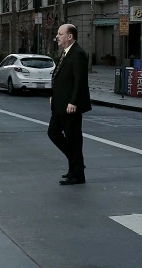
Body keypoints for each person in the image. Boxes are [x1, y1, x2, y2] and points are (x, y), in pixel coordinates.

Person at [48, 23, 92, 186]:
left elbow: (80, 81)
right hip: (59, 104)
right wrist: (52, 95)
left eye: (60, 34)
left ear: (69, 36)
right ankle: (76, 164)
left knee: (73, 139)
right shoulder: (66, 53)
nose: (57, 36)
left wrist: (73, 101)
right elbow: (60, 77)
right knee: (53, 133)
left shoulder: (78, 53)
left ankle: (77, 173)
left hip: (70, 106)